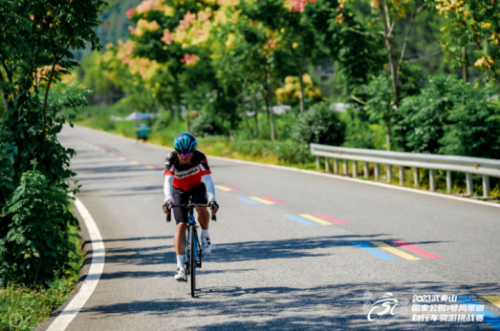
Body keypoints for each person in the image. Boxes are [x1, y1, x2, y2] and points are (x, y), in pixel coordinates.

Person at [162, 132, 219, 281]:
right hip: (178, 189)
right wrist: (168, 199)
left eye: (188, 152)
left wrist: (212, 199)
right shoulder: (172, 158)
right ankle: (180, 266)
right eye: (181, 152)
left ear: (193, 151)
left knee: (201, 207)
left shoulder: (199, 157)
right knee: (181, 225)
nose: (184, 155)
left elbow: (207, 180)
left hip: (197, 186)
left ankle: (205, 234)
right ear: (177, 150)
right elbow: (168, 180)